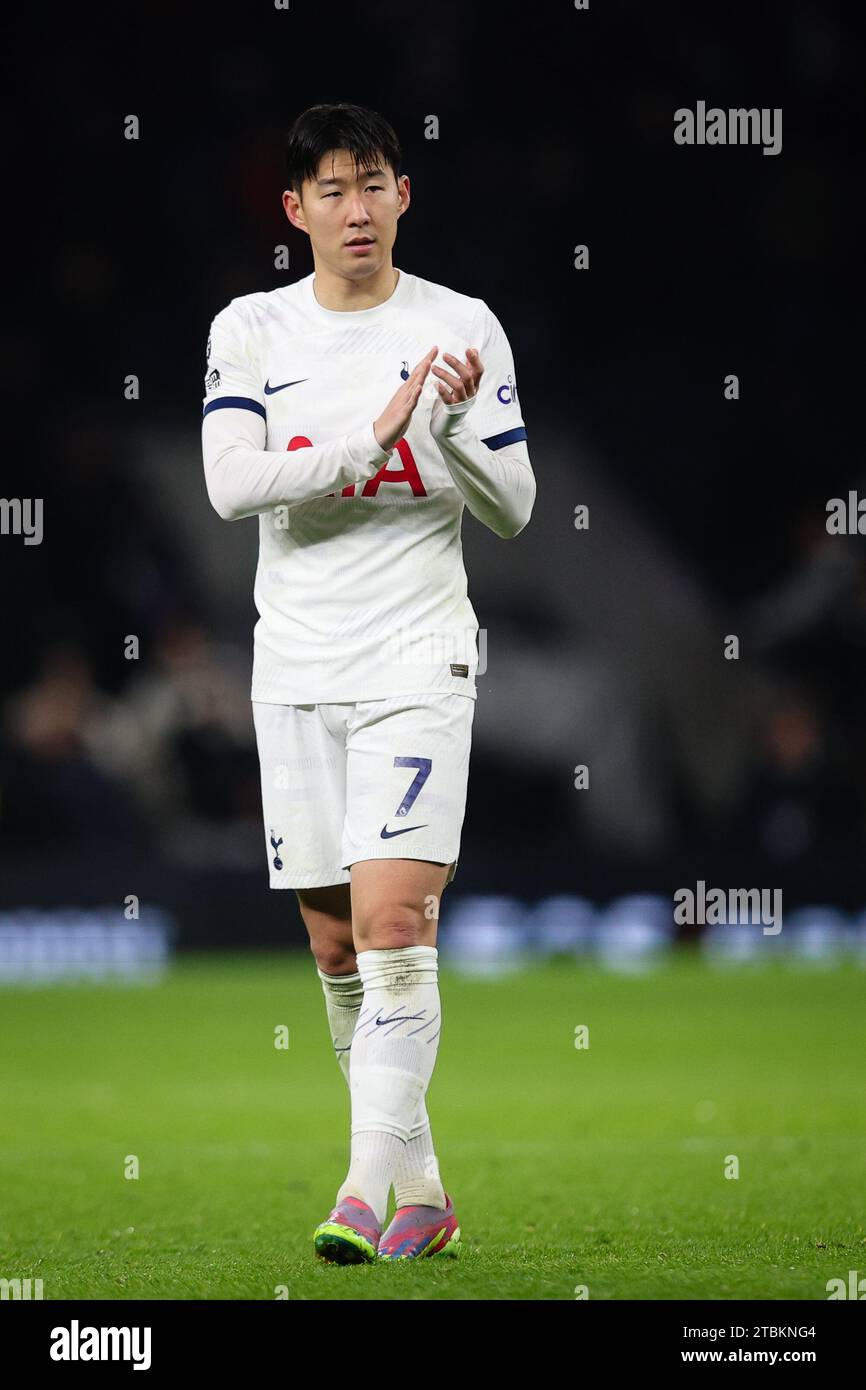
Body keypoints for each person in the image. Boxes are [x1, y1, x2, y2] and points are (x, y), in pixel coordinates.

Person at [201, 102, 535, 1263]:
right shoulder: (250, 328)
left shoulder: (462, 325)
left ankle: (355, 1191)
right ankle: (425, 1192)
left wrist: (438, 436)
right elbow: (230, 484)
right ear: (294, 211)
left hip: (416, 658)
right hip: (293, 665)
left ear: (404, 195)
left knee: (396, 922)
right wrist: (372, 436)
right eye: (332, 190)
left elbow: (516, 506)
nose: (357, 207)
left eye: (375, 183)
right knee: (338, 951)